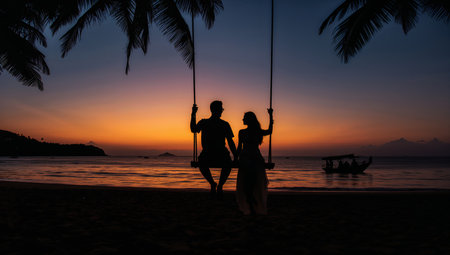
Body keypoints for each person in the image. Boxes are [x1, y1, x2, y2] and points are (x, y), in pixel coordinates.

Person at [190, 101, 237, 199]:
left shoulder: (224, 124)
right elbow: (193, 129)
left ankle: (218, 185)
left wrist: (236, 156)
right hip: (210, 153)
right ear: (215, 110)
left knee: (227, 164)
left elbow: (230, 142)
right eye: (221, 109)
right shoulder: (205, 122)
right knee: (203, 162)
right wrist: (193, 114)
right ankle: (214, 184)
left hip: (219, 153)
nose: (222, 111)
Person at [236, 109, 273, 215]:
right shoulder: (252, 131)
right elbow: (270, 131)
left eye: (244, 118)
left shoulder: (244, 132)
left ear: (248, 120)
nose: (243, 119)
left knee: (248, 183)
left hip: (248, 158)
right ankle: (251, 202)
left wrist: (271, 116)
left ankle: (251, 201)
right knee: (250, 182)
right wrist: (271, 116)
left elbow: (239, 148)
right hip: (253, 158)